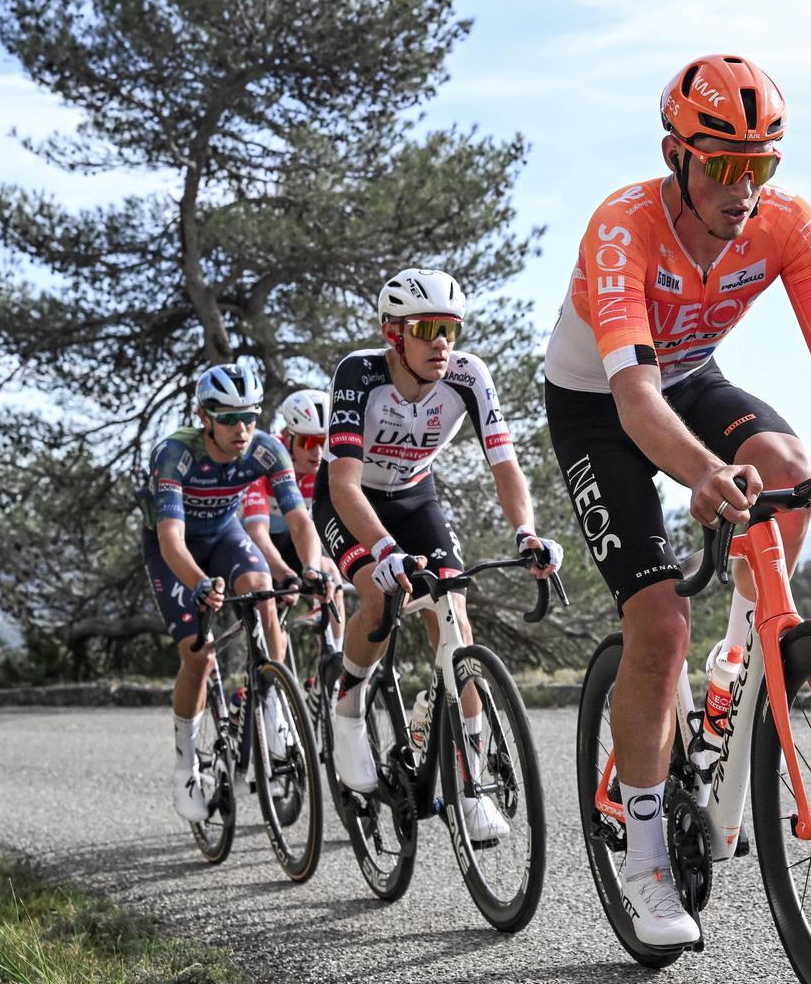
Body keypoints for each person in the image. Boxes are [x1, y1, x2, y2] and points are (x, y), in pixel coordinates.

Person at [543, 54, 811, 947]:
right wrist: (701, 472)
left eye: (761, 165)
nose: (743, 189)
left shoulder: (786, 222)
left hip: (689, 378)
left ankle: (740, 659)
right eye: (724, 166)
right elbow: (633, 400)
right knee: (660, 625)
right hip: (601, 404)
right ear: (675, 155)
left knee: (786, 466)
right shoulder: (622, 226)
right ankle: (646, 861)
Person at [316, 267, 562, 843]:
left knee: (453, 610)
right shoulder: (359, 373)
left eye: (451, 328)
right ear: (393, 333)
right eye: (427, 329)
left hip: (414, 496)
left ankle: (469, 784)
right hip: (349, 498)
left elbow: (505, 465)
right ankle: (348, 703)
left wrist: (526, 533)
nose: (442, 342)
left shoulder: (470, 375)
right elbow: (343, 484)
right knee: (379, 594)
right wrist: (384, 551)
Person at [140, 358, 325, 820]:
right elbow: (170, 539)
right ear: (205, 418)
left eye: (250, 417)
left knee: (262, 591)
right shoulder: (175, 454)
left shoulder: (267, 451)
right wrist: (199, 584)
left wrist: (310, 568)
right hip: (174, 548)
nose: (241, 428)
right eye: (229, 419)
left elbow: (299, 518)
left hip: (224, 534)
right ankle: (186, 765)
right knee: (199, 656)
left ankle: (272, 704)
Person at [243, 389, 344, 650]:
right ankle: (270, 673)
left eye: (324, 442)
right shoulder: (265, 457)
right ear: (288, 437)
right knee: (272, 628)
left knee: (330, 572)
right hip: (253, 545)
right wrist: (285, 574)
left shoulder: (324, 468)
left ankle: (338, 659)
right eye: (309, 442)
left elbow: (312, 526)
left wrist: (312, 569)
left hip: (289, 540)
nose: (318, 452)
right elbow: (257, 531)